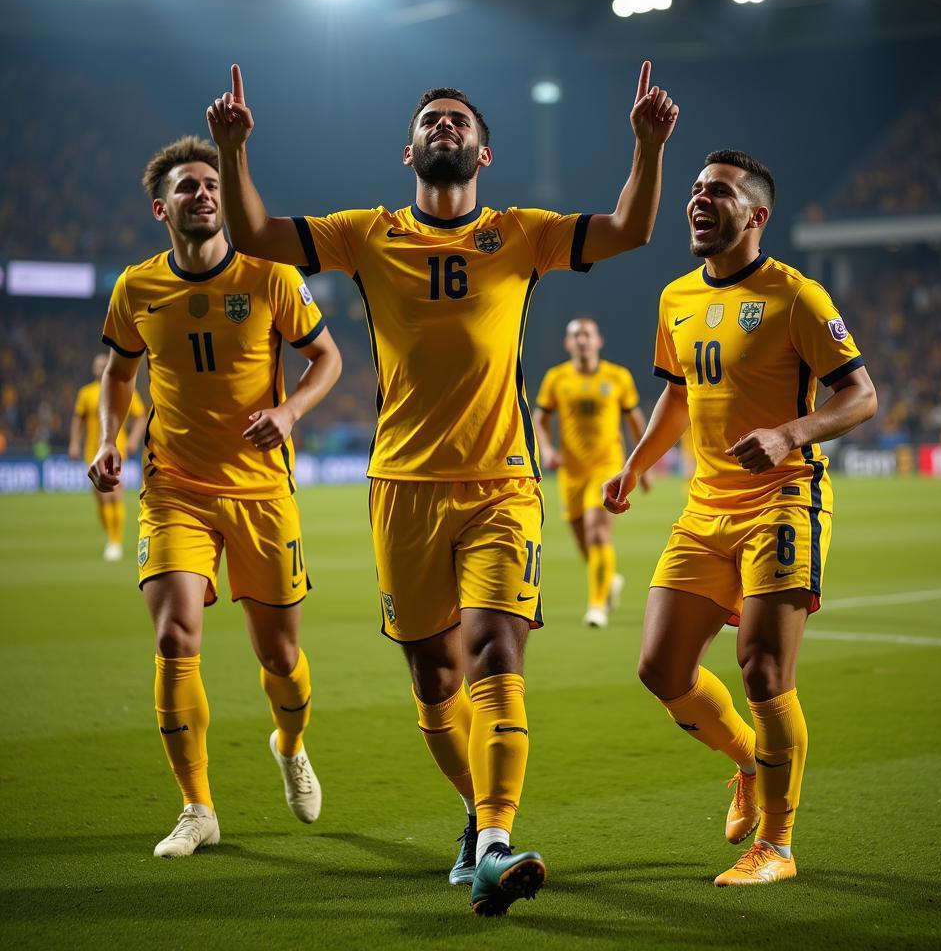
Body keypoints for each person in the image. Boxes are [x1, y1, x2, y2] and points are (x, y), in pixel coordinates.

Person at [207, 61, 678, 914]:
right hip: (404, 486)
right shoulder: (364, 233)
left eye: (459, 120)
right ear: (409, 150)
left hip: (503, 482)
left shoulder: (522, 235)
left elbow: (627, 231)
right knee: (433, 678)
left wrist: (646, 148)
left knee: (499, 649)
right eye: (433, 121)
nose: (446, 128)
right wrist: (232, 153)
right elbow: (260, 236)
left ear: (485, 154)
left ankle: (495, 842)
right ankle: (474, 813)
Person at [603, 149, 876, 886]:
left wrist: (791, 433)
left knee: (762, 668)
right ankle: (748, 766)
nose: (698, 200)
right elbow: (679, 394)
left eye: (717, 192)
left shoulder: (798, 296)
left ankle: (778, 848)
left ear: (756, 215)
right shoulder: (675, 298)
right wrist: (637, 462)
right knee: (660, 669)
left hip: (785, 498)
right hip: (705, 506)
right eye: (694, 190)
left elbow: (861, 396)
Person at [88, 136, 342, 859]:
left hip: (262, 491)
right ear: (160, 208)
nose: (203, 194)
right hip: (175, 490)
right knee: (173, 637)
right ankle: (197, 807)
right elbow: (117, 370)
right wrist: (109, 439)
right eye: (188, 187)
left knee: (281, 658)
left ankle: (290, 744)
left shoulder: (269, 276)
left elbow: (327, 357)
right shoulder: (136, 287)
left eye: (210, 183)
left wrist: (290, 414)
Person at [535, 317, 648, 627]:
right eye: (576, 336)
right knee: (583, 540)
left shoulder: (618, 377)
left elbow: (635, 420)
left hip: (607, 466)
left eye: (587, 335)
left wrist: (643, 463)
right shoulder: (557, 378)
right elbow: (539, 419)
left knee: (598, 532)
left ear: (598, 341)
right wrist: (545, 449)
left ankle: (597, 606)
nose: (582, 340)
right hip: (571, 472)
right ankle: (608, 580)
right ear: (568, 344)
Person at [69, 352, 147, 560]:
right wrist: (74, 443)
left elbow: (140, 417)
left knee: (113, 493)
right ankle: (111, 537)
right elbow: (79, 419)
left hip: (116, 448)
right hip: (92, 451)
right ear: (93, 369)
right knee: (100, 496)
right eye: (97, 365)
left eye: (104, 364)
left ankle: (115, 542)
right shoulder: (86, 393)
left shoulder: (122, 387)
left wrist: (132, 440)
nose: (100, 368)